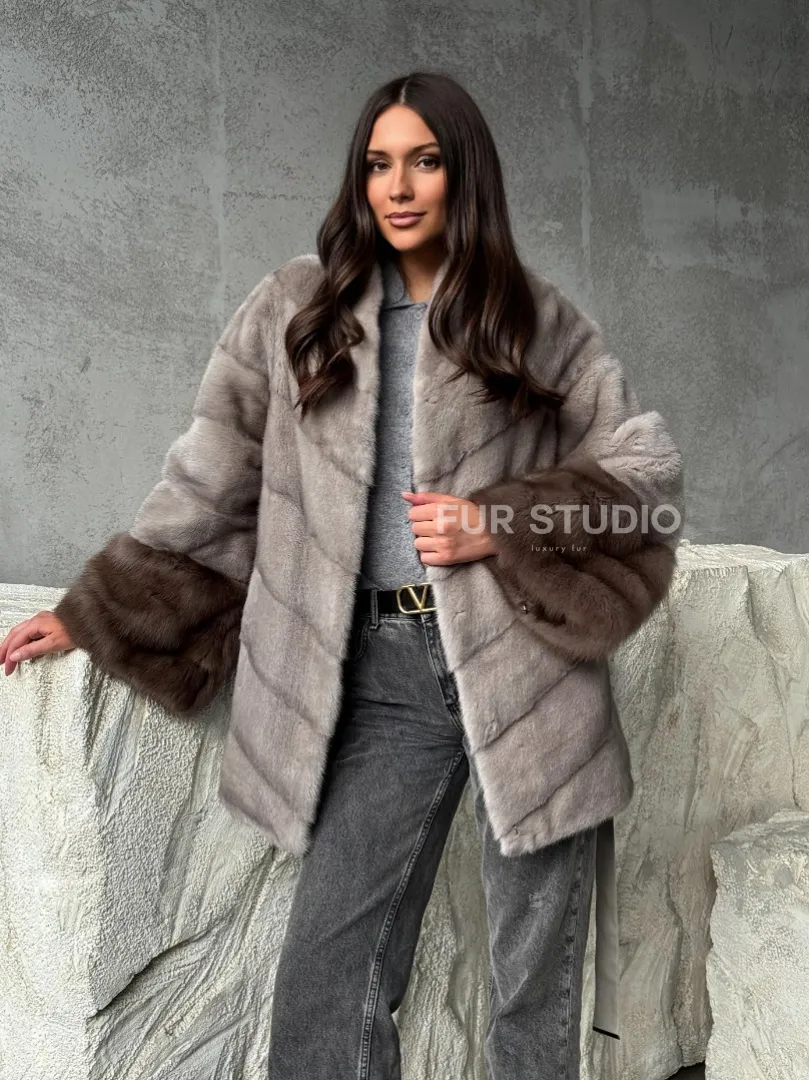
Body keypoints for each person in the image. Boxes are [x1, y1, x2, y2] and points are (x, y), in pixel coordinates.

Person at [1, 71, 684, 1078]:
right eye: (377, 164)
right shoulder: (297, 311)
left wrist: (500, 523)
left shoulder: (532, 319)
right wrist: (99, 613)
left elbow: (644, 481)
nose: (397, 188)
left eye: (423, 162)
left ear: (464, 175)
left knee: (531, 987)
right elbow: (212, 479)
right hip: (380, 672)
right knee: (329, 975)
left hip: (527, 672)